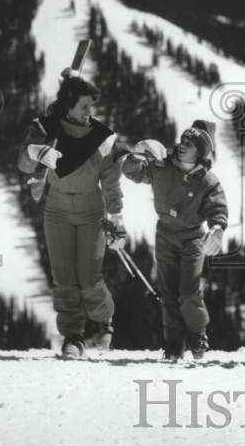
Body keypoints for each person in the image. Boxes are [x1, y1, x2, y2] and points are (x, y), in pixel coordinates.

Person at [18, 70, 127, 358]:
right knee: (64, 278)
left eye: (91, 107)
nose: (90, 112)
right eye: (84, 106)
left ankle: (103, 322)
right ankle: (73, 338)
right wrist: (36, 154)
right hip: (56, 210)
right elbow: (23, 163)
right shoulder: (46, 129)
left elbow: (111, 181)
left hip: (92, 211)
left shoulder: (102, 137)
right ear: (68, 105)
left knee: (90, 277)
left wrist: (116, 219)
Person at [121, 120, 228, 361]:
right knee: (168, 293)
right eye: (182, 141)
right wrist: (137, 156)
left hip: (193, 239)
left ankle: (198, 334)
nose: (182, 146)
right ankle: (173, 346)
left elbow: (217, 208)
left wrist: (218, 229)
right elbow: (131, 173)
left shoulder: (208, 181)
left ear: (200, 152)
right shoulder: (162, 167)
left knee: (189, 292)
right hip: (165, 235)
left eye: (190, 144)